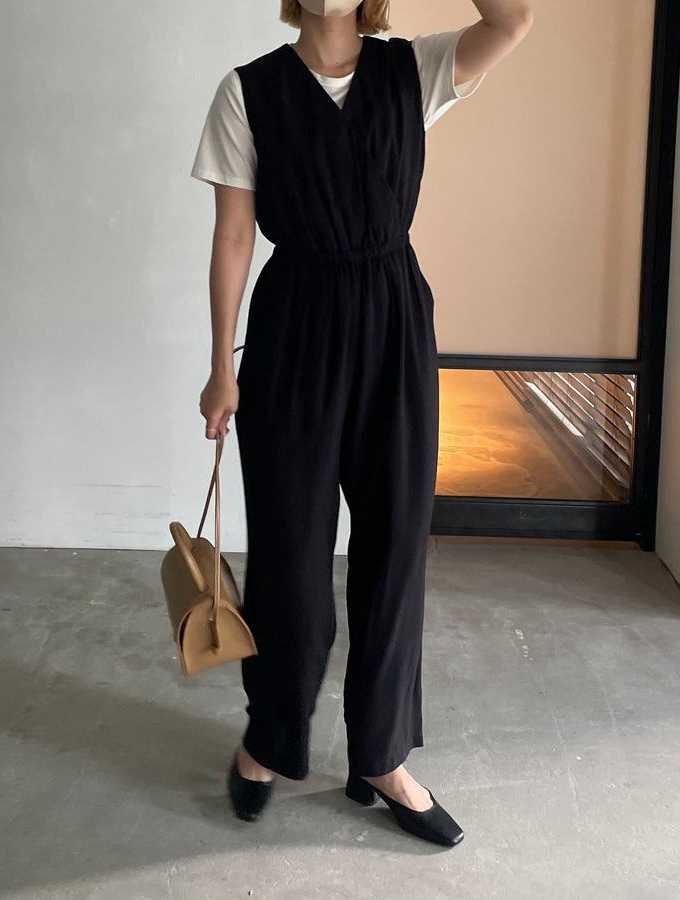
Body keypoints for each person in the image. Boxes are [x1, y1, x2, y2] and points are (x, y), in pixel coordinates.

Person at [192, 0, 533, 847]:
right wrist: (222, 364)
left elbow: (513, 21)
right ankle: (270, 739)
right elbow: (234, 234)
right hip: (293, 326)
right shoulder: (248, 91)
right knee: (289, 553)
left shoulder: (411, 70)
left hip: (392, 319)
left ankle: (381, 756)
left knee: (396, 543)